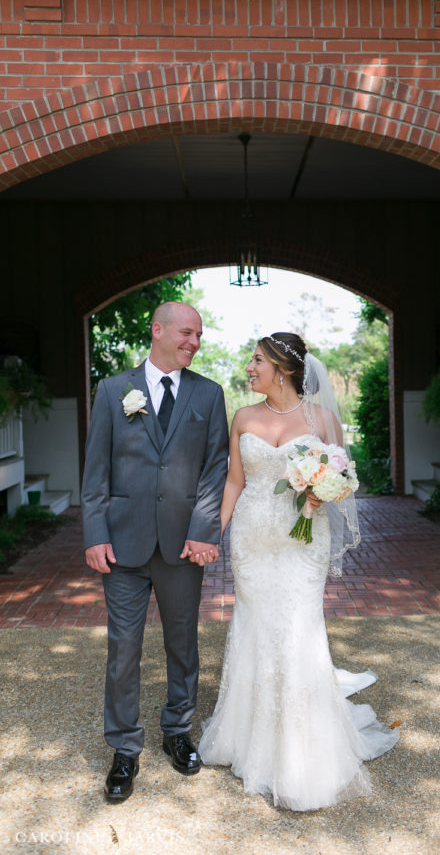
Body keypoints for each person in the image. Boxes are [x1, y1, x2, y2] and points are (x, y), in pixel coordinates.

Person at [198, 332, 399, 811]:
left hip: (303, 541)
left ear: (282, 370)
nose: (249, 368)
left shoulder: (322, 418)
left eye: (257, 361)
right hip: (252, 539)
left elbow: (345, 479)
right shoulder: (243, 416)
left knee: (298, 629)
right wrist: (214, 532)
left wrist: (323, 491)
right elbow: (234, 479)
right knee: (256, 628)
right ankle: (251, 736)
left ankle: (302, 748)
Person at [81, 301, 229, 802]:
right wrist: (94, 533)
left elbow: (215, 470)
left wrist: (206, 531)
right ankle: (124, 749)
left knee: (182, 644)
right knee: (123, 649)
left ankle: (177, 731)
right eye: (187, 332)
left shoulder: (209, 395)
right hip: (122, 544)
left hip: (183, 545)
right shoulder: (112, 391)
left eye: (200, 335)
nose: (195, 342)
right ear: (158, 330)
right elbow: (95, 470)